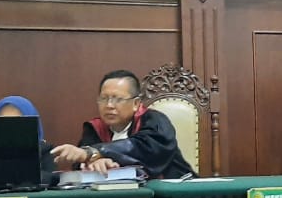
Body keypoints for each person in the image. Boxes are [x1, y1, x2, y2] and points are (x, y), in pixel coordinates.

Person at [50, 70, 195, 179]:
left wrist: (93, 153)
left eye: (118, 99)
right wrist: (96, 162)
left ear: (136, 103)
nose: (109, 105)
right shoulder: (95, 128)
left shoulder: (155, 121)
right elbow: (80, 161)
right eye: (104, 99)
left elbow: (142, 149)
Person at [0, 95, 57, 180]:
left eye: (17, 122)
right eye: (4, 122)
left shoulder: (44, 151)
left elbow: (51, 179)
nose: (10, 128)